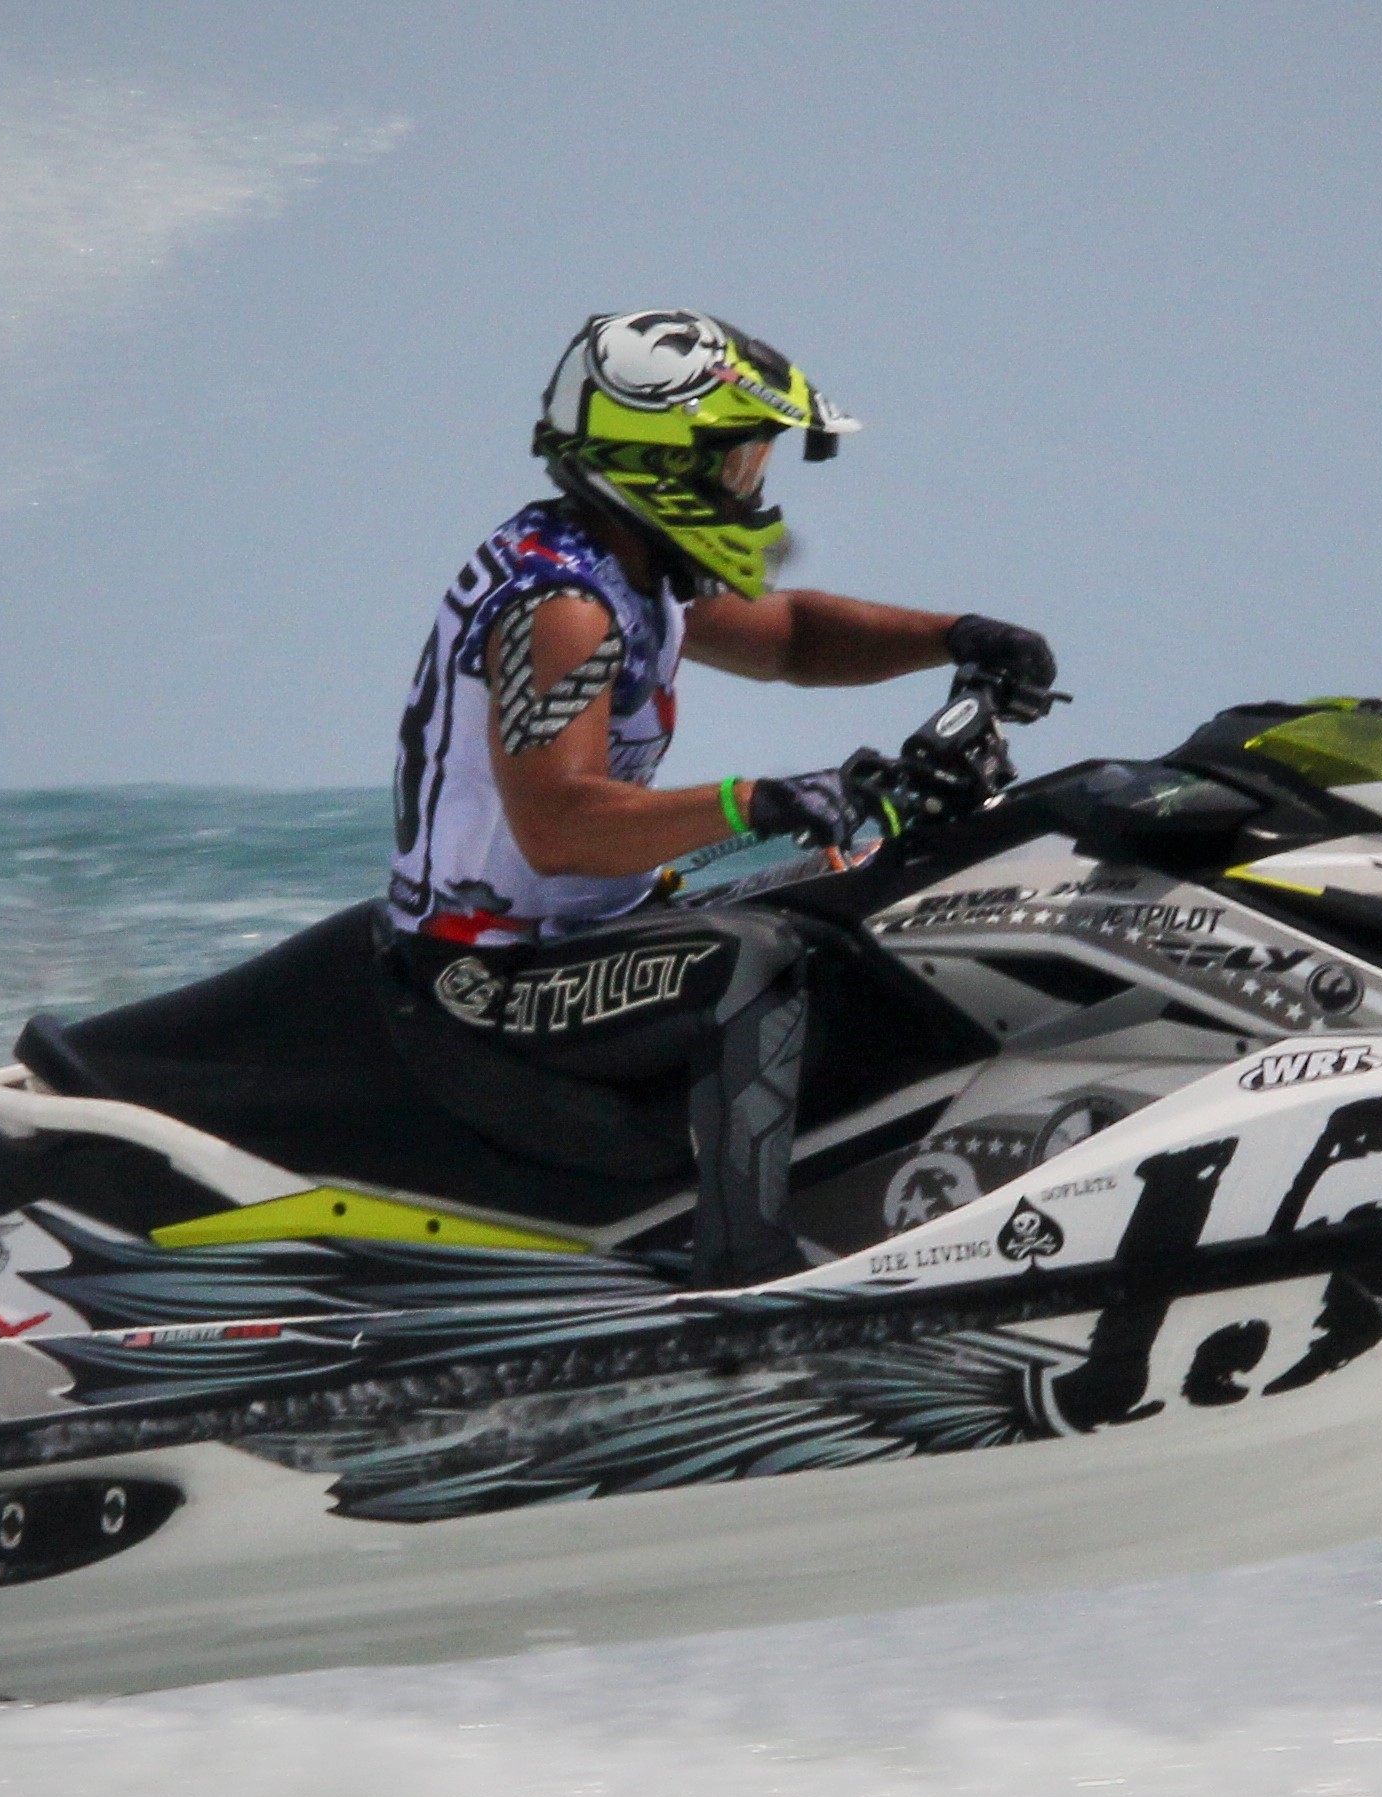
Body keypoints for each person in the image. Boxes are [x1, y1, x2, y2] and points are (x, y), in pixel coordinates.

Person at [384, 308, 1061, 1284]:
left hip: (585, 931)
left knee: (859, 887)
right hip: (486, 974)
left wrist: (956, 636)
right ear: (664, 460)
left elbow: (791, 638)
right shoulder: (563, 609)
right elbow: (560, 828)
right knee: (755, 961)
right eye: (742, 459)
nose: (757, 485)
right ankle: (749, 1279)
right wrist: (762, 801)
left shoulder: (625, 566)